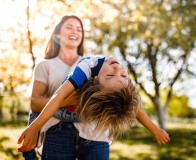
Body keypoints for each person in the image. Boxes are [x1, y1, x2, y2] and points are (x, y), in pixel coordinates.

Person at [18, 56, 170, 160]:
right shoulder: (89, 66)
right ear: (94, 78)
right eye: (123, 76)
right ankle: (29, 153)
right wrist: (35, 127)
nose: (118, 69)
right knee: (36, 115)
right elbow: (58, 97)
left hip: (85, 114)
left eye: (111, 75)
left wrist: (155, 130)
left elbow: (135, 108)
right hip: (63, 110)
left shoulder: (117, 83)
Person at [22, 15, 85, 160]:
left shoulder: (90, 65)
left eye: (79, 29)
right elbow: (35, 103)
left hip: (88, 133)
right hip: (55, 132)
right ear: (57, 34)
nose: (75, 32)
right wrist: (66, 101)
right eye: (69, 27)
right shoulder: (45, 65)